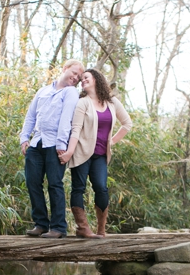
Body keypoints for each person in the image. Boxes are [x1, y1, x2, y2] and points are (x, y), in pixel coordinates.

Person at [59, 68, 132, 238]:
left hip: (100, 154)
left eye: (86, 77)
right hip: (81, 152)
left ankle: (101, 230)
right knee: (79, 188)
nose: (83, 80)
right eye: (82, 79)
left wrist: (111, 141)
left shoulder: (111, 101)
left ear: (97, 79)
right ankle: (83, 228)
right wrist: (70, 151)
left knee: (101, 188)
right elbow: (75, 129)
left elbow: (127, 124)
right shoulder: (83, 102)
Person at [18, 59, 84, 238]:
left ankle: (58, 227)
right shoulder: (43, 91)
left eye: (79, 77)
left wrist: (61, 145)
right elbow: (30, 116)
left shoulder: (71, 93)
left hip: (55, 145)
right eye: (75, 73)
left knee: (55, 184)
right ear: (65, 68)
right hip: (37, 143)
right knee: (33, 182)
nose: (76, 78)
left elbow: (66, 118)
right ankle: (40, 224)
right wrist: (25, 138)